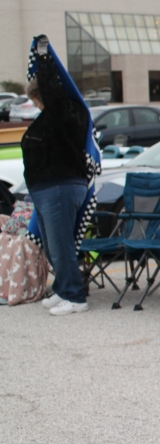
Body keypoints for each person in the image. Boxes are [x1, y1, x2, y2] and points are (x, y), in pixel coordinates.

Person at [21, 35, 96, 315]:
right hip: (48, 190)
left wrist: (44, 59)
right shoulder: (53, 118)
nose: (35, 105)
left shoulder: (63, 112)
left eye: (36, 100)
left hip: (59, 187)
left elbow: (53, 92)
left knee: (61, 244)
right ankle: (64, 288)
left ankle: (75, 297)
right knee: (54, 245)